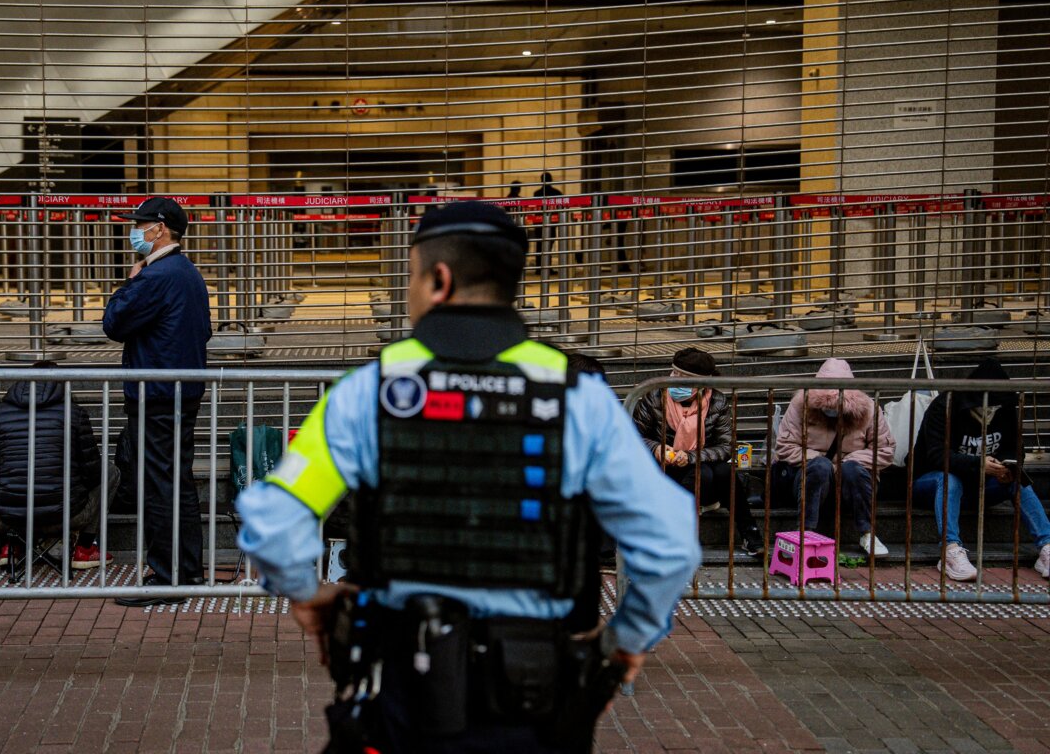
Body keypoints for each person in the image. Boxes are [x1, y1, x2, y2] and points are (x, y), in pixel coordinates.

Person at [236, 201, 700, 753]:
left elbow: (272, 519)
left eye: (411, 276)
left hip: (404, 690)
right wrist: (624, 640)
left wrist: (307, 593)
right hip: (534, 697)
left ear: (439, 279)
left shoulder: (368, 391)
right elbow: (670, 542)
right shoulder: (579, 398)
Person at [103, 196, 212, 605]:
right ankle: (186, 571)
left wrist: (131, 282)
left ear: (160, 229)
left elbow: (114, 323)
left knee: (160, 485)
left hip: (157, 394)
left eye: (139, 224)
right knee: (177, 481)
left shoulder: (156, 275)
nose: (134, 232)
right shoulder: (188, 272)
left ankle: (167, 576)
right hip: (180, 391)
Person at [911, 358, 1050, 582]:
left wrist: (1007, 467)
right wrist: (978, 464)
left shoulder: (1004, 408)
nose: (989, 411)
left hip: (981, 487)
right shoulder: (945, 405)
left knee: (1017, 480)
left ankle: (1046, 546)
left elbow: (1016, 449)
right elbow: (935, 456)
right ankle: (950, 550)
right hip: (930, 484)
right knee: (949, 479)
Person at [0, 361, 113, 570]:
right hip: (66, 515)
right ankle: (84, 547)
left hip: (8, 517)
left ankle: (11, 544)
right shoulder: (74, 413)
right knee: (110, 471)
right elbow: (93, 472)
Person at [632, 348, 765, 556]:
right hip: (663, 470)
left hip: (701, 472)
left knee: (722, 471)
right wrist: (657, 448)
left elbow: (725, 447)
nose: (674, 379)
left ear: (701, 382)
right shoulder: (654, 397)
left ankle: (750, 534)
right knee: (705, 473)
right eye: (674, 372)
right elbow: (633, 437)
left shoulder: (716, 402)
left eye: (682, 377)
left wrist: (691, 457)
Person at [775, 357, 895, 556]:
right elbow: (785, 446)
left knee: (852, 468)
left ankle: (867, 533)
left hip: (853, 482)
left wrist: (848, 461)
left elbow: (885, 450)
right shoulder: (801, 403)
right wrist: (823, 462)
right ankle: (805, 532)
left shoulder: (868, 408)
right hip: (810, 479)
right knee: (820, 466)